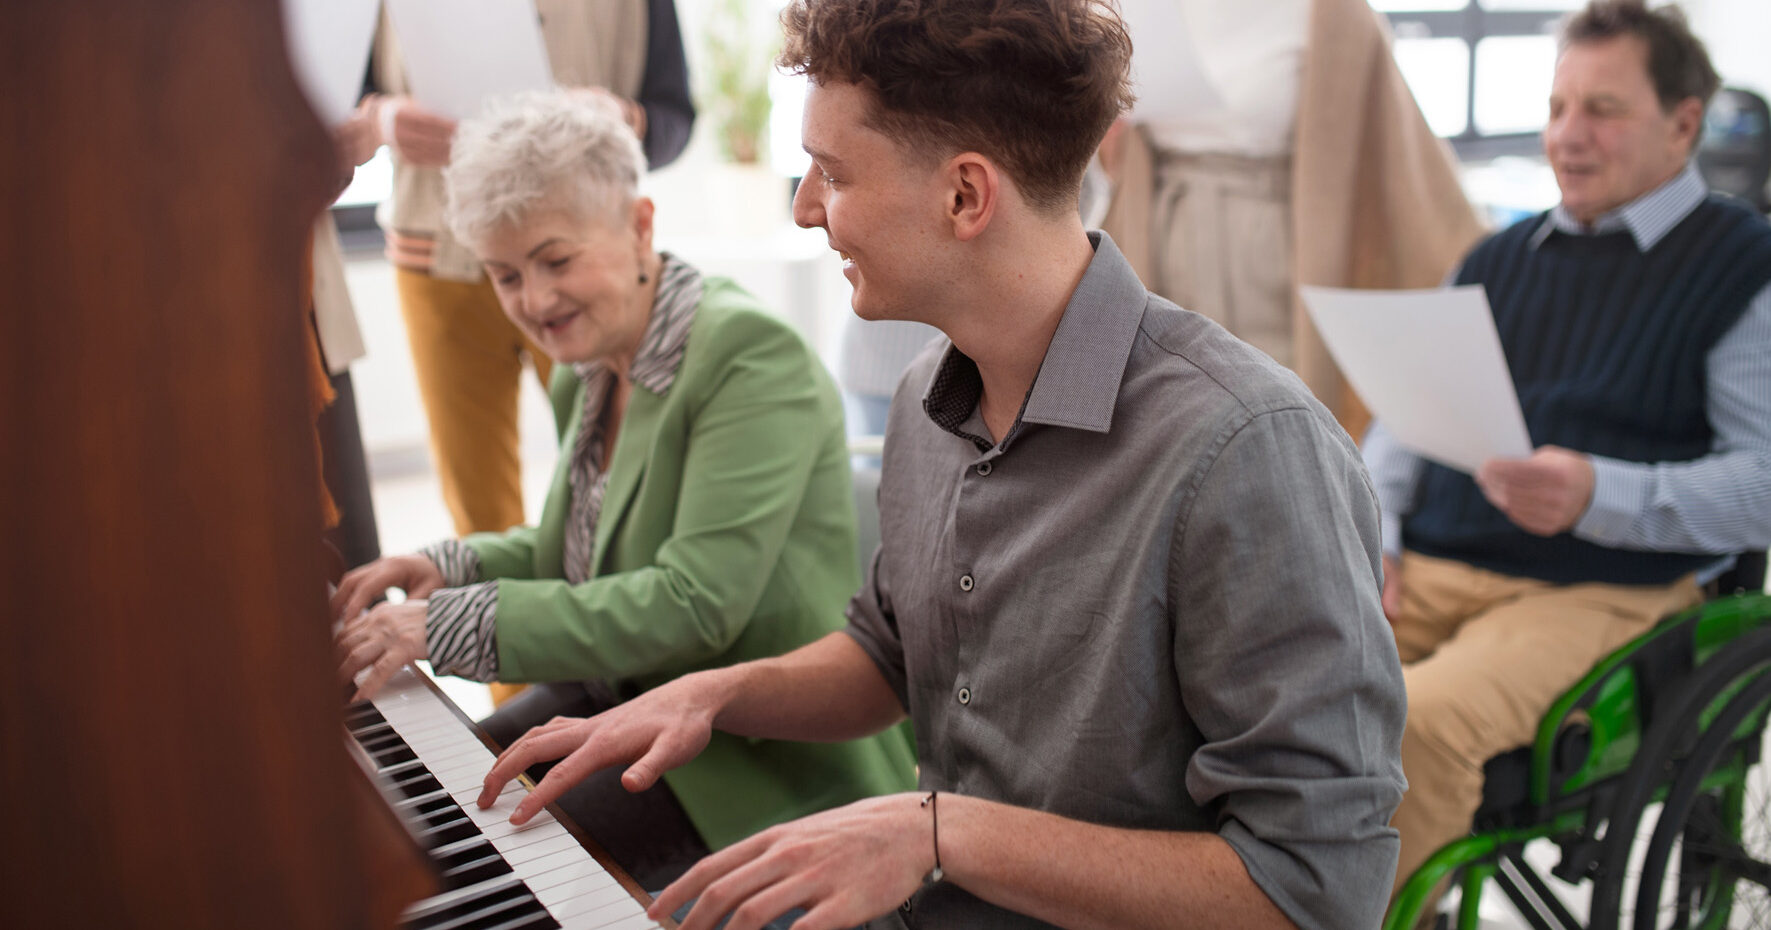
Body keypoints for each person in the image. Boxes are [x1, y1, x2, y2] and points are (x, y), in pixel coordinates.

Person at [479, 3, 1408, 928]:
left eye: (831, 174)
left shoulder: (1248, 449)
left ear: (965, 196)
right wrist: (713, 695)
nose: (805, 209)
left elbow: (1315, 892)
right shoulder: (934, 398)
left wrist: (939, 834)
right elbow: (890, 654)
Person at [330, 92, 916, 890]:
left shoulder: (750, 357)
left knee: (462, 870)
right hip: (623, 701)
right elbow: (574, 549)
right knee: (428, 812)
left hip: (746, 754)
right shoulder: (593, 364)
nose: (534, 302)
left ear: (640, 224)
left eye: (556, 261)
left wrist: (445, 624)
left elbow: (692, 604)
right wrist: (446, 566)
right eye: (506, 275)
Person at [1363, 0, 1771, 897]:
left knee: (1413, 722)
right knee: (1256, 683)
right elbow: (1399, 426)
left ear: (1683, 123)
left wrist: (1599, 494)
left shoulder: (1742, 267)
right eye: (1555, 109)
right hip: (1427, 568)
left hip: (1598, 591)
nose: (1566, 137)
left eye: (1601, 110)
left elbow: (1762, 484)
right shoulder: (1492, 260)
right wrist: (1375, 532)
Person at [367, 0, 695, 540]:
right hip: (436, 260)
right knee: (478, 513)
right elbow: (327, 95)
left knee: (626, 493)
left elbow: (674, 115)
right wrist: (381, 120)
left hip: (586, 260)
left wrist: (623, 120)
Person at [1098, 0, 1485, 437]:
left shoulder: (1329, 12)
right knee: (1167, 419)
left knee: (1277, 424)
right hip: (1160, 237)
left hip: (1275, 250)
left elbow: (1395, 147)